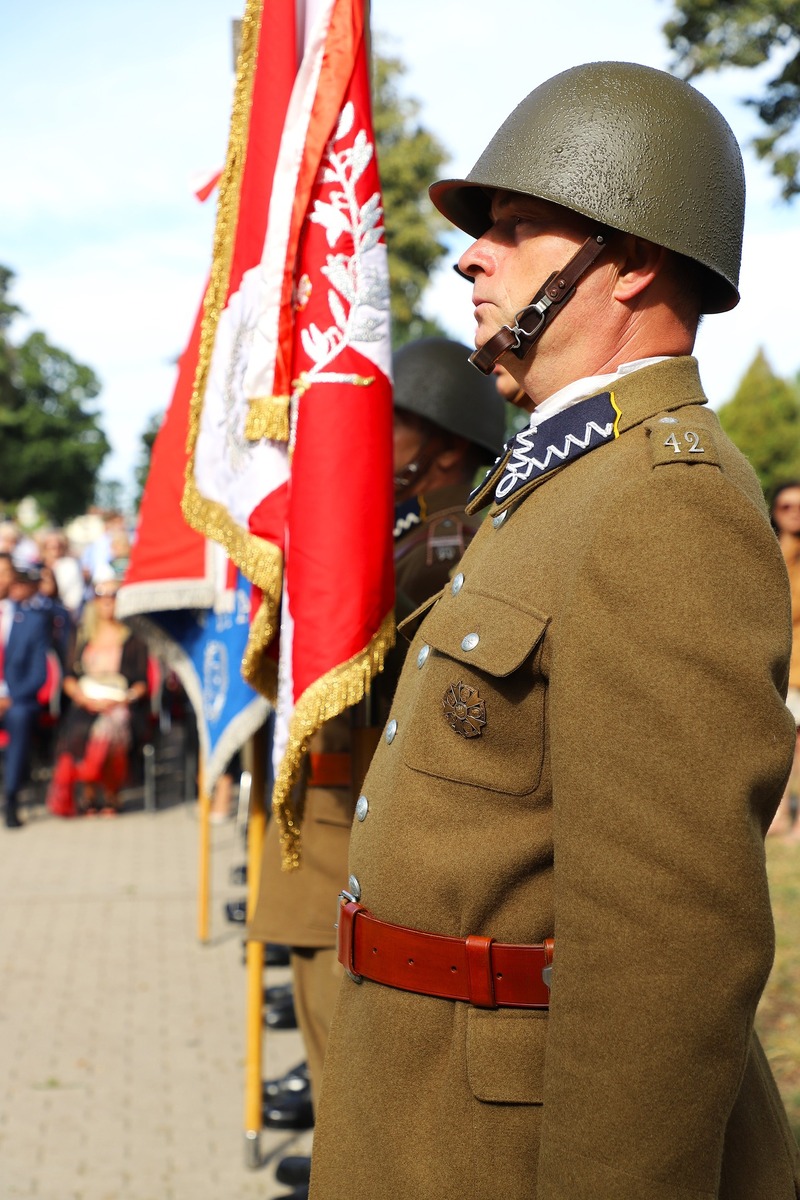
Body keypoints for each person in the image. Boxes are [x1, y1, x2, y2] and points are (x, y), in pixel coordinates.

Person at [309, 62, 800, 1200]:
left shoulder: (660, 503)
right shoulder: (553, 480)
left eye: (516, 226)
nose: (471, 254)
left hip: (508, 1142)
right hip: (427, 1102)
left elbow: (664, 958)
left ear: (627, 262)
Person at [249, 337, 506, 1195]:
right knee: (324, 1009)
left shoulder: (445, 537)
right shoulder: (393, 524)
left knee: (349, 1016)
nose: (367, 431)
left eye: (389, 420)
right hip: (335, 797)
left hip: (372, 805)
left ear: (439, 438)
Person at [47, 568, 148, 817]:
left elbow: (141, 682)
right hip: (86, 703)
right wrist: (84, 699)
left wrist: (121, 700)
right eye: (102, 595)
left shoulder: (133, 637)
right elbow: (69, 676)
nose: (108, 601)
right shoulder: (82, 635)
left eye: (114, 595)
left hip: (120, 705)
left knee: (111, 731)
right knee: (80, 732)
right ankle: (89, 792)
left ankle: (112, 793)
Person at [0, 554, 51, 828]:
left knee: (19, 719)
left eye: (4, 572)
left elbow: (38, 673)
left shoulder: (32, 620)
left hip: (16, 700)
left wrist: (9, 698)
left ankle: (11, 798)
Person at [768, 481, 800, 841]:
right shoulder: (765, 550)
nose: (794, 513)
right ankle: (777, 817)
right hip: (777, 662)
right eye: (786, 506)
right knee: (779, 744)